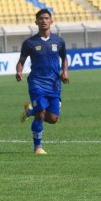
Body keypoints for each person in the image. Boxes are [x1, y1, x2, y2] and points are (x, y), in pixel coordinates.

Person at [16, 9, 69, 155]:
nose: (44, 21)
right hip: (36, 83)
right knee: (41, 114)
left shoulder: (59, 41)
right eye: (41, 19)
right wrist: (19, 71)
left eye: (46, 18)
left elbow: (64, 58)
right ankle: (37, 147)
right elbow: (21, 61)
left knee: (53, 119)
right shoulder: (30, 42)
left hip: (54, 84)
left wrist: (65, 72)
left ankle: (29, 111)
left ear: (51, 21)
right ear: (36, 22)